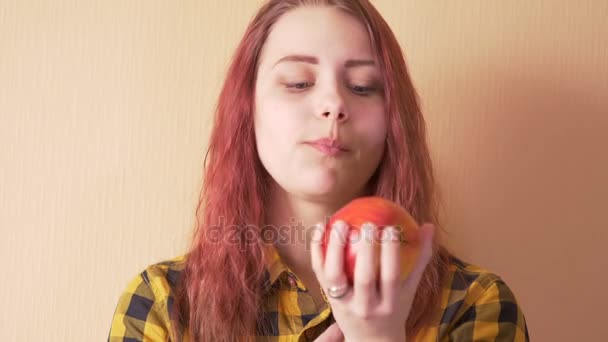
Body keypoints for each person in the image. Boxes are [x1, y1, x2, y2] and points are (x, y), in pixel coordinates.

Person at [107, 0, 529, 341]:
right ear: (246, 110)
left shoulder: (474, 303)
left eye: (363, 86)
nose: (334, 103)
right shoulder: (164, 304)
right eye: (297, 82)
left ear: (394, 121)